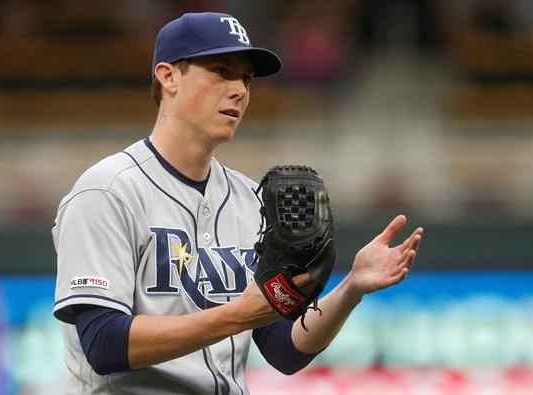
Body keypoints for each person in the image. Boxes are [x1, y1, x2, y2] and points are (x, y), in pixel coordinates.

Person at [52, 12, 423, 395]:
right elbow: (103, 342)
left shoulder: (249, 199)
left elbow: (282, 349)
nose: (239, 90)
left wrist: (350, 289)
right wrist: (236, 316)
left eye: (245, 78)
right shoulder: (107, 191)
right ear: (167, 76)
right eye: (221, 71)